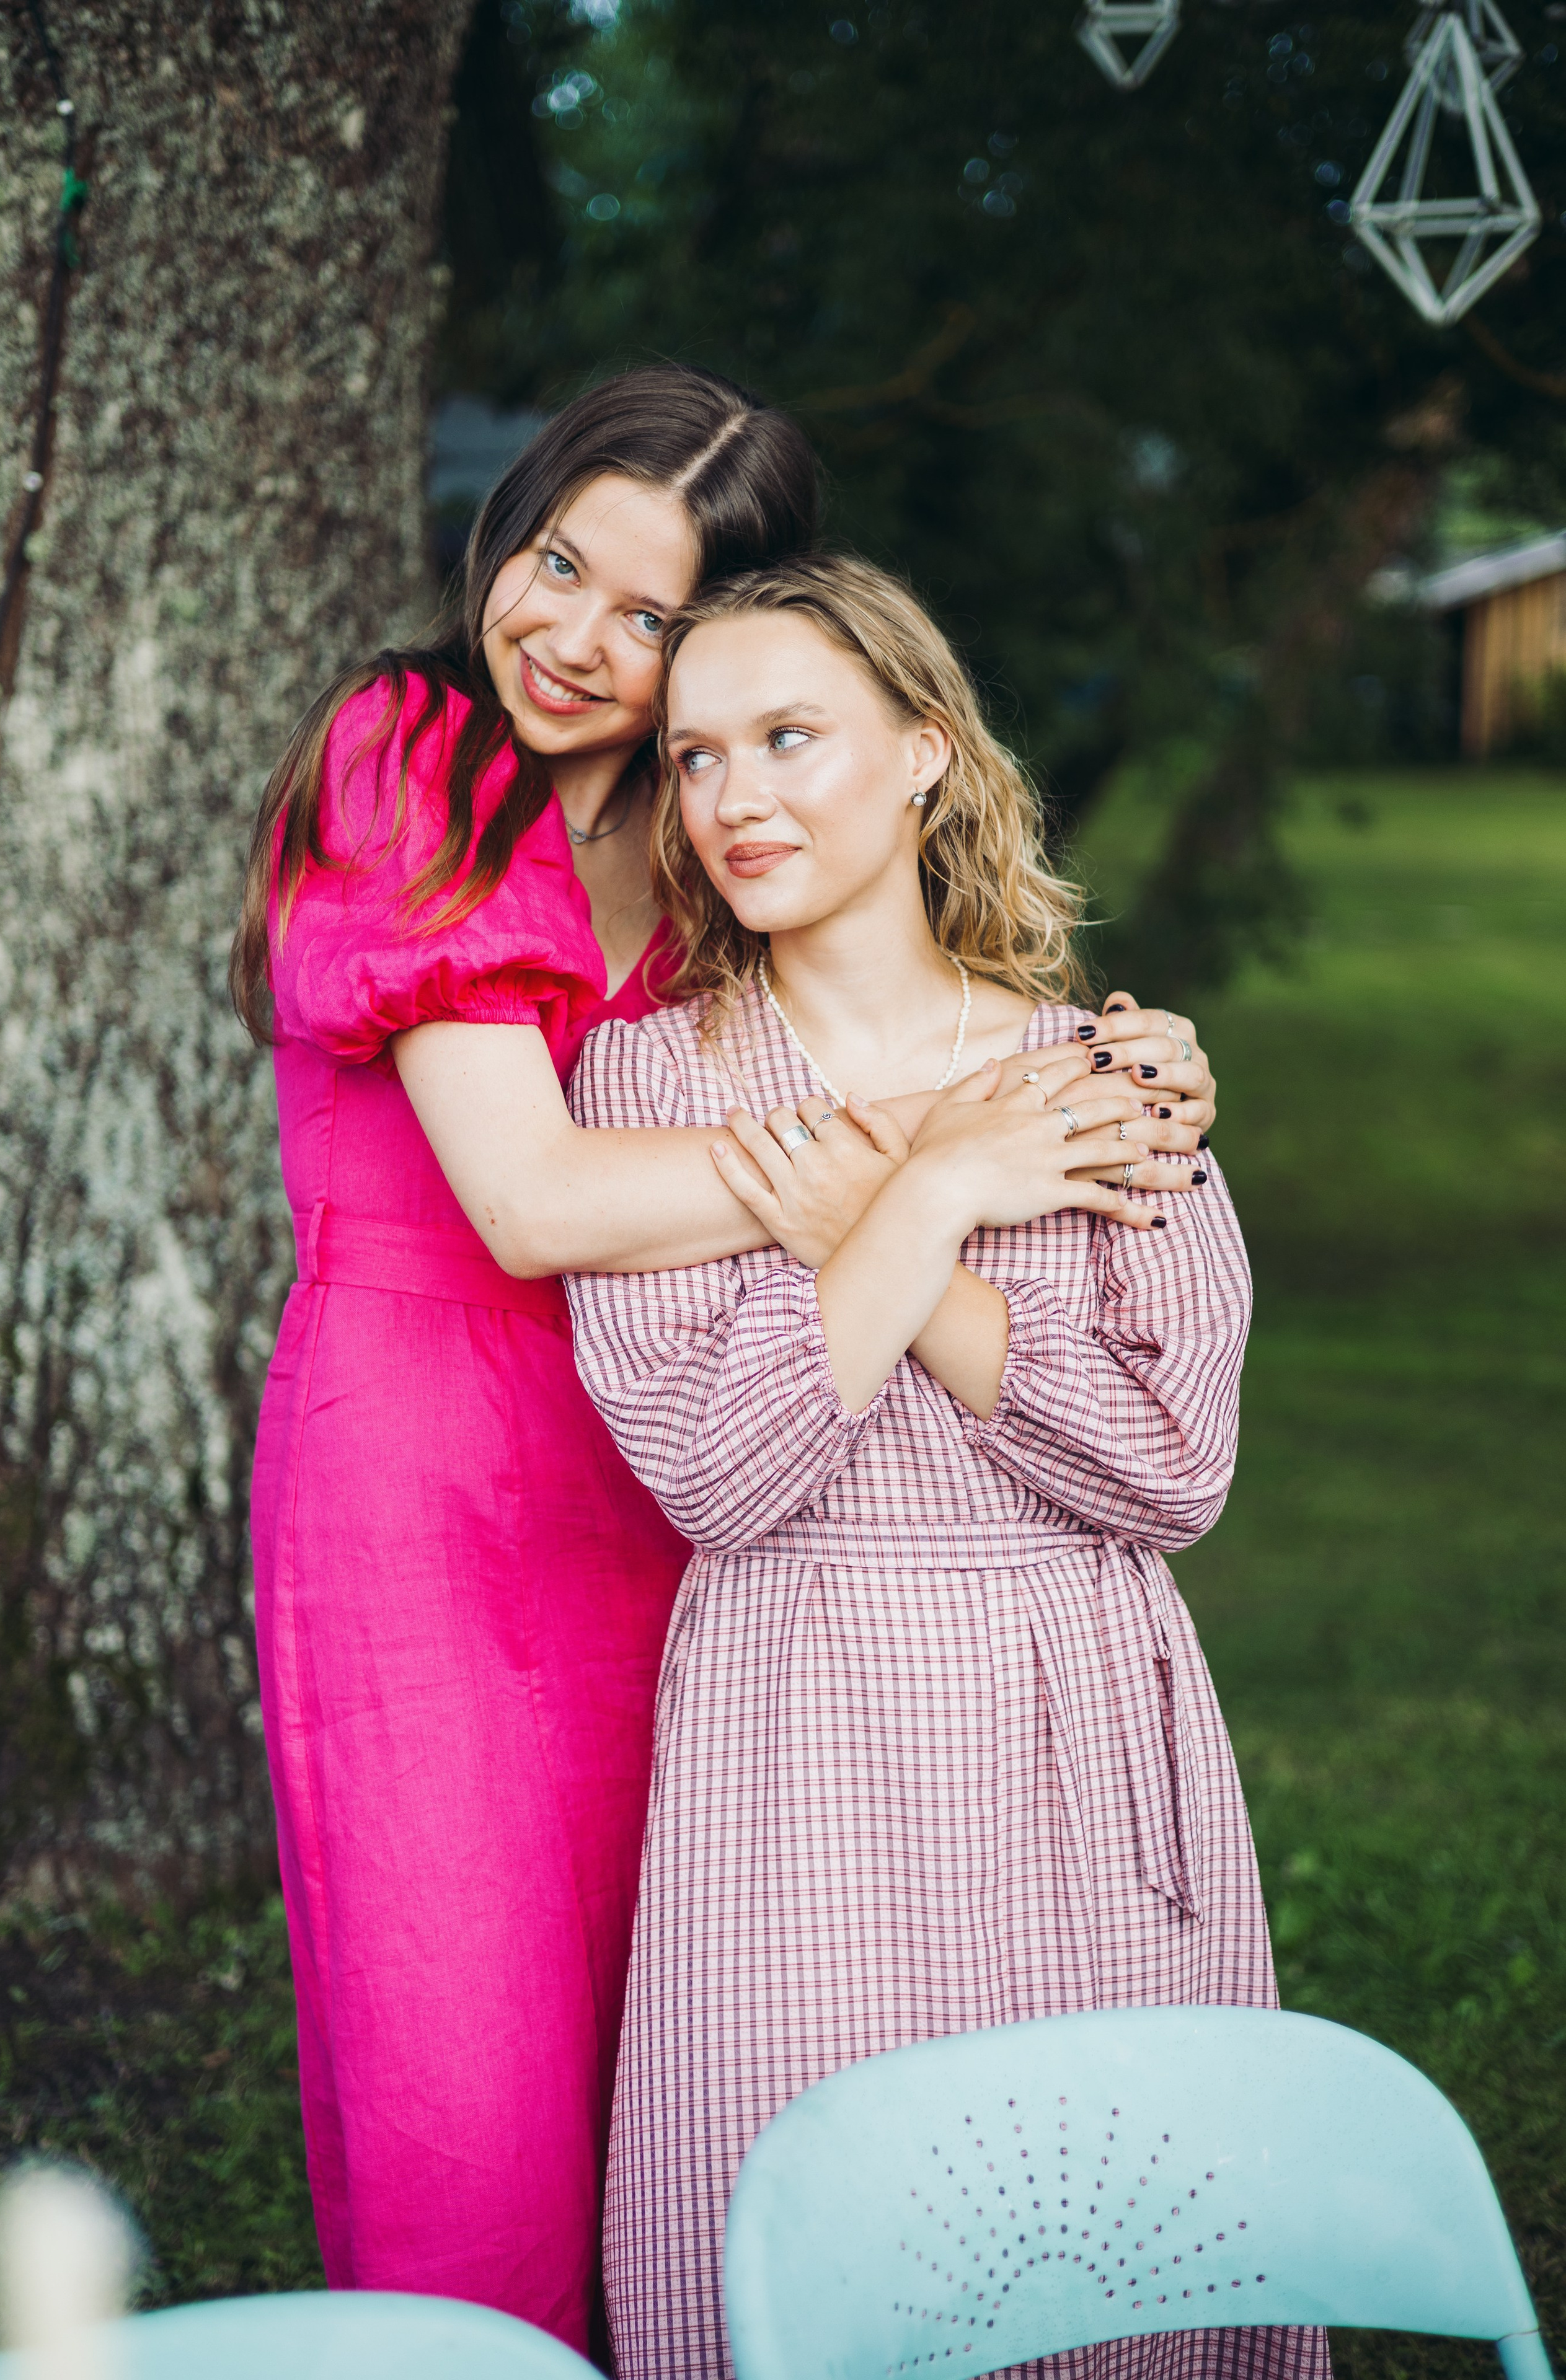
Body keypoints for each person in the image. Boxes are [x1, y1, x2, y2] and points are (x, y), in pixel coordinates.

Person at [231, 365, 1218, 2348]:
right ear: (504, 530)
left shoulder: (706, 843)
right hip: (426, 1471)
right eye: (557, 561)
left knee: (678, 2043)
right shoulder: (408, 748)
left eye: (655, 618)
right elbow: (531, 1202)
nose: (577, 638)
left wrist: (1106, 1077)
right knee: (473, 2086)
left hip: (675, 1462)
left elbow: (864, 1036)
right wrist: (945, 1158)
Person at [564, 553, 1322, 2380]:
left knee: (1108, 2248)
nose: (736, 799)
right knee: (813, 2238)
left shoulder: (1115, 1073)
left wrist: (909, 1239)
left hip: (1073, 1712)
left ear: (921, 752)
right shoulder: (648, 1086)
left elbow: (1168, 1468)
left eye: (790, 737)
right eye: (696, 756)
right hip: (797, 1710)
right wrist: (942, 1185)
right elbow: (720, 1472)